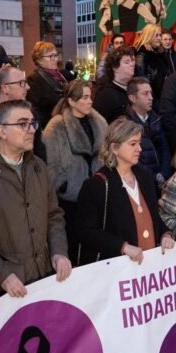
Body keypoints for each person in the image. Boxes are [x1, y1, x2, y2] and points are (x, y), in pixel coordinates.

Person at [0, 100, 72, 295]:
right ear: (2, 131)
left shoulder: (38, 165)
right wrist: (1, 273)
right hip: (10, 286)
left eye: (33, 123)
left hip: (47, 275)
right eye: (23, 124)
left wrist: (59, 252)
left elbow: (53, 215)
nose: (31, 130)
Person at [74, 119, 175, 264]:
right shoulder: (96, 185)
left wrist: (165, 234)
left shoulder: (145, 177)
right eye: (133, 144)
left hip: (150, 269)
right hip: (117, 273)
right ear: (114, 148)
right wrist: (123, 247)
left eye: (139, 143)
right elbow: (85, 232)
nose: (139, 149)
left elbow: (153, 216)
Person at [43, 81, 109, 260]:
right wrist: (64, 186)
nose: (90, 102)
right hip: (71, 198)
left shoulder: (100, 122)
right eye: (85, 97)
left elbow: (106, 155)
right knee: (74, 243)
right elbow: (51, 163)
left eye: (90, 97)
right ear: (72, 101)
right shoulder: (56, 126)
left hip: (97, 194)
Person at [124, 77, 172, 186]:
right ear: (133, 98)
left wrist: (163, 173)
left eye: (151, 93)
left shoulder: (156, 120)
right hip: (140, 182)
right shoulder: (126, 124)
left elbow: (165, 149)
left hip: (160, 180)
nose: (151, 98)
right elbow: (131, 158)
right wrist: (153, 177)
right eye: (145, 94)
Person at [27, 41, 67, 129]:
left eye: (56, 55)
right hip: (49, 128)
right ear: (39, 60)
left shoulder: (61, 77)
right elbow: (34, 109)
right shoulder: (34, 79)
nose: (55, 59)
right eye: (50, 56)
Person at [93, 46, 137, 124]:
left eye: (132, 61)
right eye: (127, 62)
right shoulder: (105, 95)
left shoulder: (135, 89)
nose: (132, 64)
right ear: (115, 67)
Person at [133, 24, 170, 110]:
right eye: (156, 35)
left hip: (161, 96)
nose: (159, 38)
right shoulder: (142, 54)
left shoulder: (161, 53)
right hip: (149, 97)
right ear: (149, 36)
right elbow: (140, 79)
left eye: (160, 35)